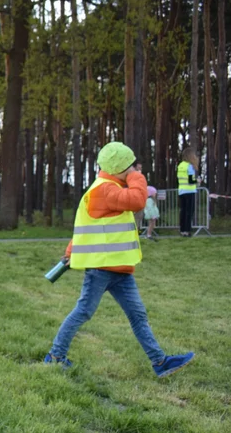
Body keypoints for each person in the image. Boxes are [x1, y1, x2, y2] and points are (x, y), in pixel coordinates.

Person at [45, 141, 194, 378]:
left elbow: (92, 227)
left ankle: (160, 362)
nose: (134, 169)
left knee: (138, 315)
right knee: (83, 312)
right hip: (102, 269)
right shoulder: (104, 189)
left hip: (120, 270)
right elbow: (137, 200)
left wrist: (72, 250)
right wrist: (137, 177)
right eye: (130, 166)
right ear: (120, 168)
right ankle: (54, 356)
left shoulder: (107, 187)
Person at [177, 146, 200, 236]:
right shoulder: (189, 166)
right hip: (190, 191)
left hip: (182, 191)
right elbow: (191, 181)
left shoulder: (180, 165)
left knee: (183, 211)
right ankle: (187, 230)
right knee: (189, 212)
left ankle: (182, 230)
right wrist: (197, 181)